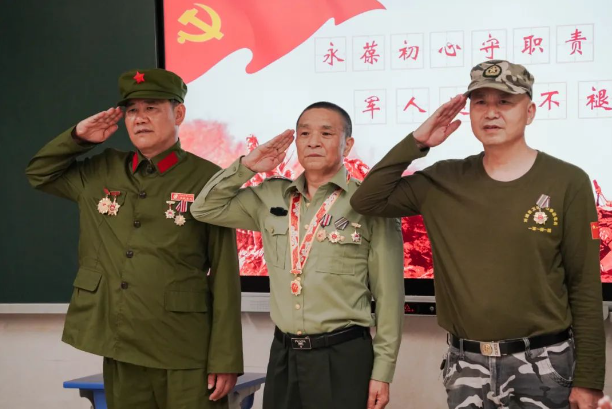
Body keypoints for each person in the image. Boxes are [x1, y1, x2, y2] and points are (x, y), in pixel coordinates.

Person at [350, 60, 605, 408]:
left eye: (505, 101)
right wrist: (417, 142)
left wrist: (589, 380)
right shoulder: (443, 180)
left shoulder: (567, 182)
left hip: (544, 365)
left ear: (530, 112)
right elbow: (367, 199)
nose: (491, 112)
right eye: (480, 102)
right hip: (466, 364)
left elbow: (584, 285)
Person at [26, 68, 243, 409]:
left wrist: (225, 358)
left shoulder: (207, 179)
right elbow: (39, 173)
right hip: (120, 342)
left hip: (184, 348)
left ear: (179, 114)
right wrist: (79, 138)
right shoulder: (102, 170)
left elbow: (225, 273)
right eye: (132, 111)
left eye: (151, 108)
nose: (140, 119)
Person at [190, 101, 404, 409]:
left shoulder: (369, 203)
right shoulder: (270, 196)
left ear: (347, 145)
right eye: (304, 133)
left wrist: (382, 372)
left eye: (326, 133)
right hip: (284, 354)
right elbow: (204, 208)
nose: (313, 141)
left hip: (343, 357)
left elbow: (390, 297)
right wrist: (247, 166)